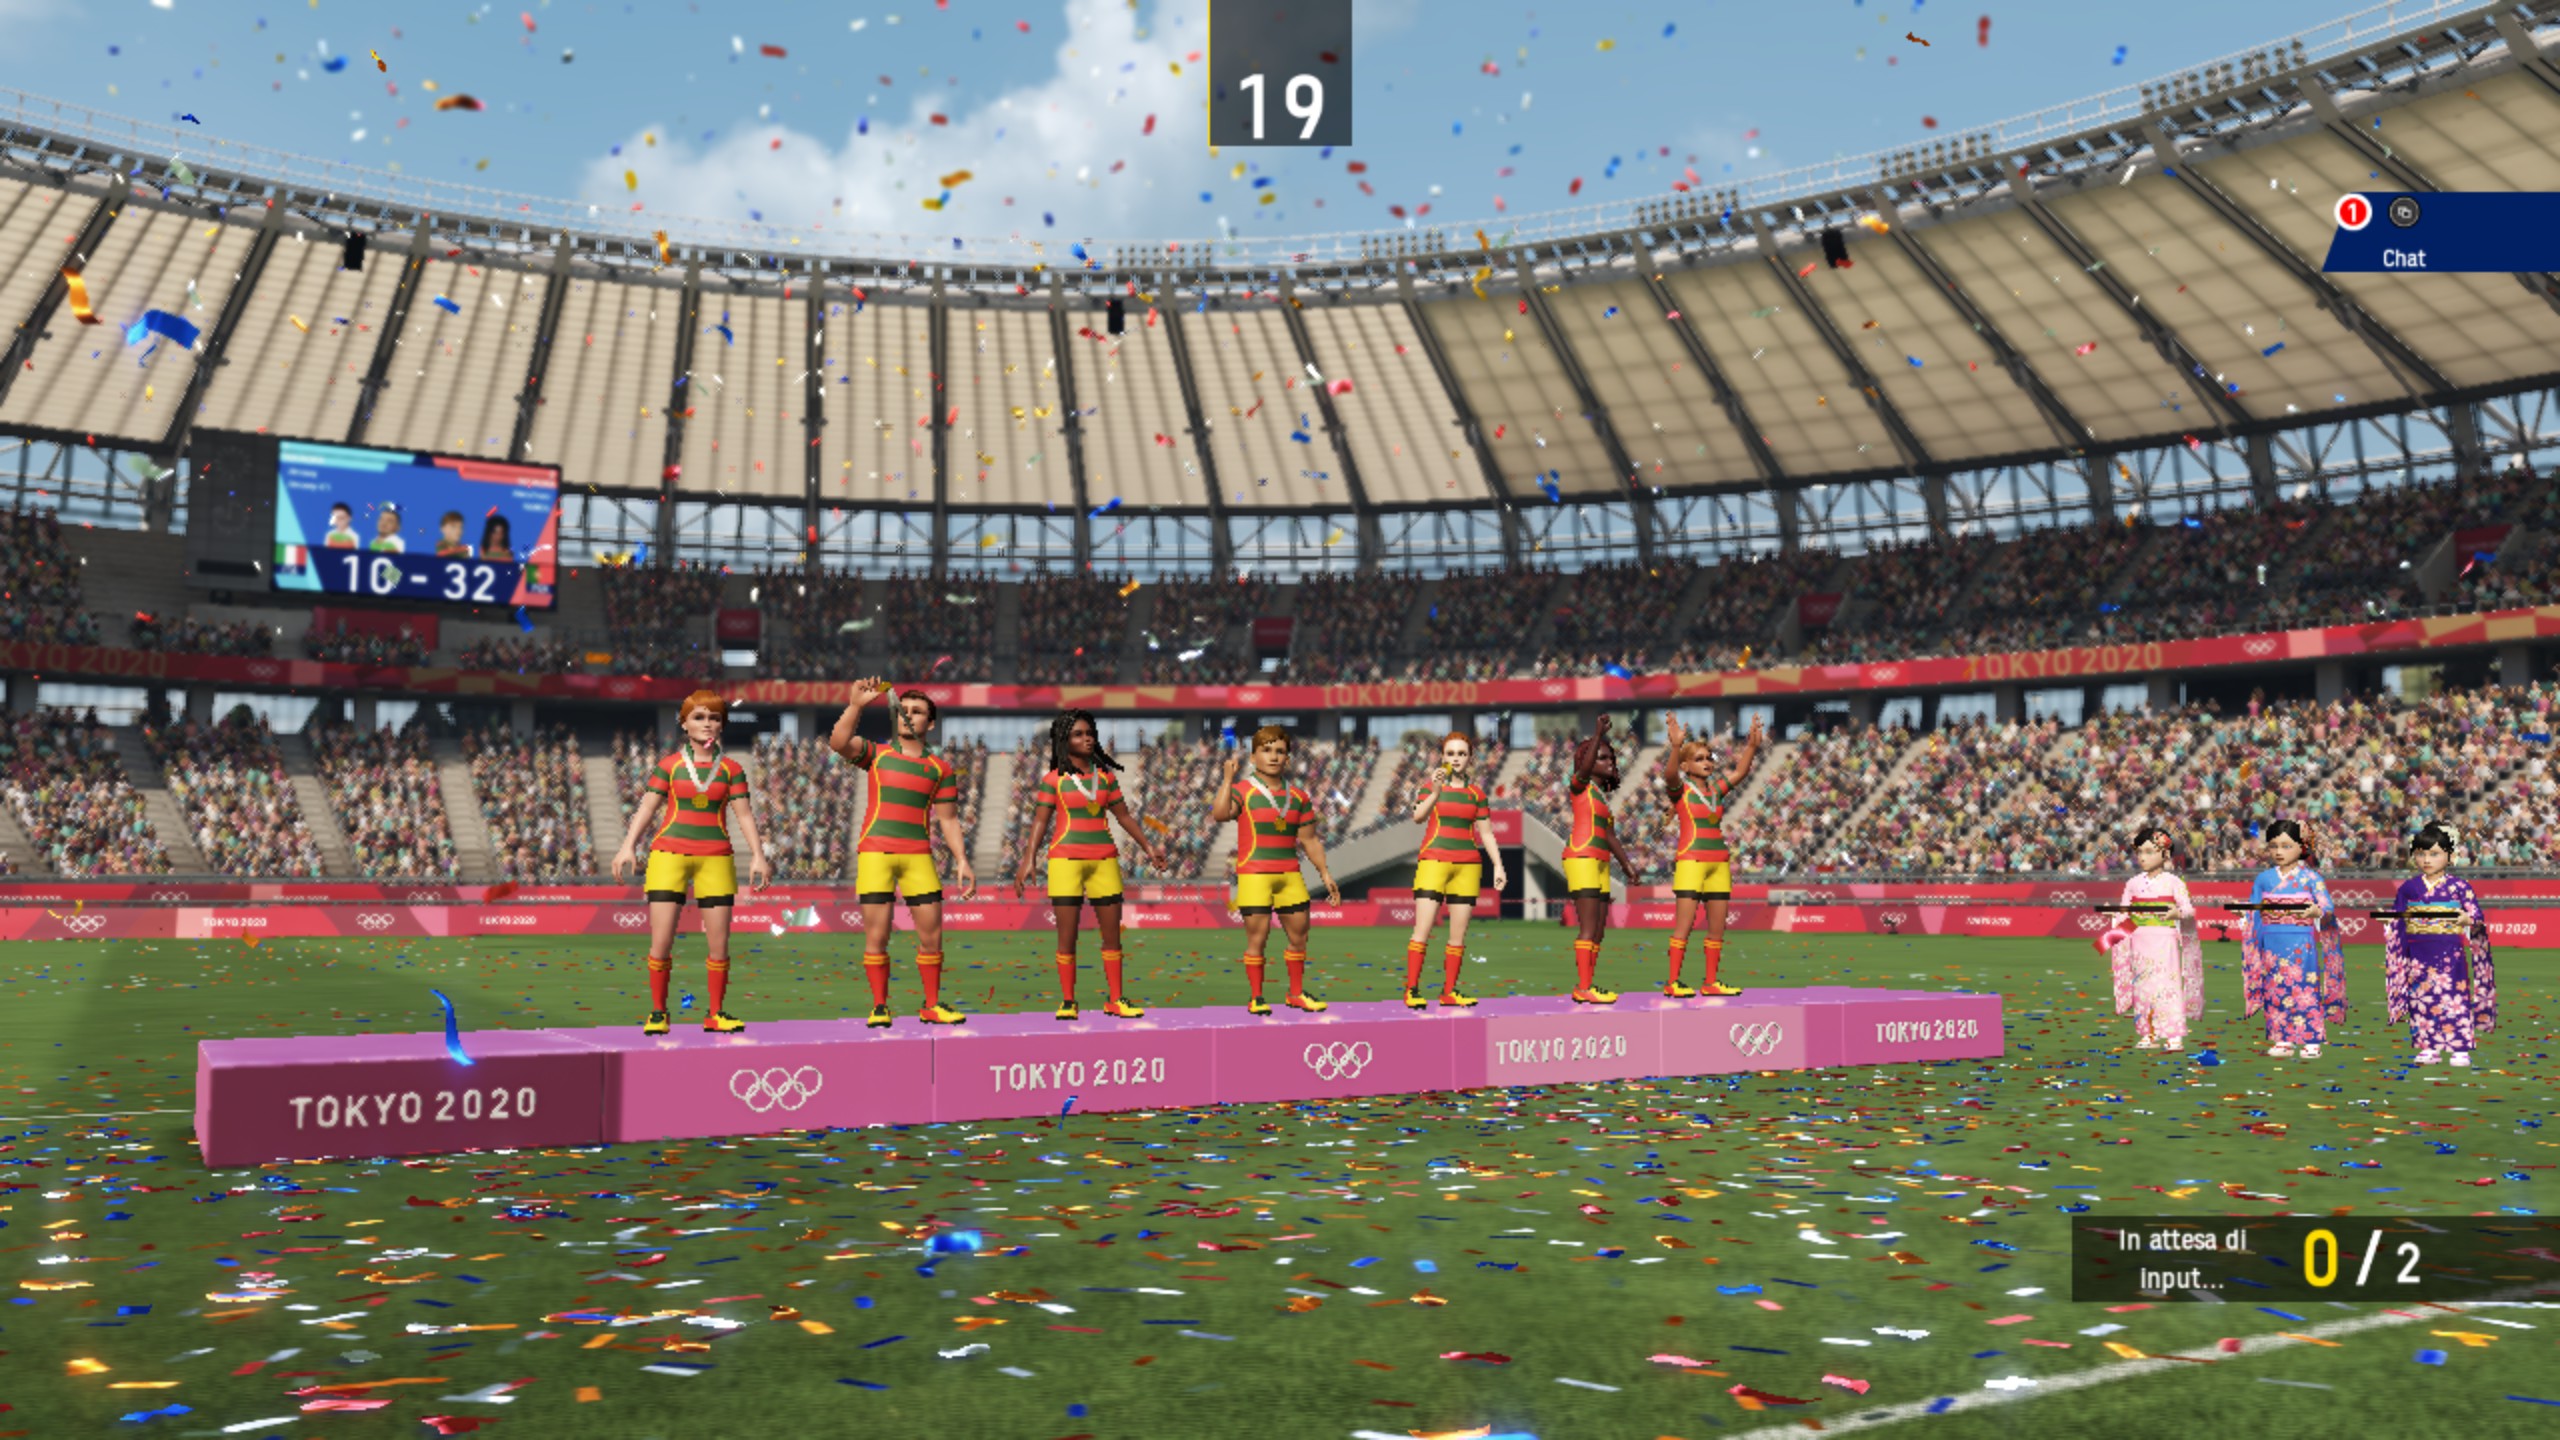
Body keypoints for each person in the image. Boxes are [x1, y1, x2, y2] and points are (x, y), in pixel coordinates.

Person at [609, 691, 770, 1035]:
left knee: (719, 944)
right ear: (684, 724)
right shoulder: (669, 766)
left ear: (722, 724)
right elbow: (648, 807)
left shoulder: (732, 769)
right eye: (699, 717)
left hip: (716, 858)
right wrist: (627, 846)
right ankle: (658, 1012)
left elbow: (744, 815)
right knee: (661, 941)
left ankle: (715, 1013)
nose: (707, 724)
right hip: (669, 856)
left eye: (714, 718)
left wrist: (758, 854)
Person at [831, 677, 976, 1025]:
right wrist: (855, 705)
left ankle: (931, 1005)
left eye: (917, 711)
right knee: (877, 936)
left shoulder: (940, 769)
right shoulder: (877, 754)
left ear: (931, 723)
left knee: (932, 935)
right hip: (876, 853)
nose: (908, 715)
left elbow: (949, 819)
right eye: (903, 710)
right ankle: (880, 1007)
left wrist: (962, 860)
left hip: (918, 856)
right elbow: (839, 742)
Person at [1010, 709, 1168, 1020]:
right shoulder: (1054, 780)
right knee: (1067, 937)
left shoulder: (1106, 778)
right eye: (1078, 734)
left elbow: (1124, 817)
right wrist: (1028, 858)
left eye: (1090, 733)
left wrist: (1148, 847)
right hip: (1065, 860)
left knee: (1112, 937)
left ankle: (1116, 999)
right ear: (1064, 740)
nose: (1087, 739)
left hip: (1104, 860)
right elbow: (1040, 821)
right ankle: (1069, 1001)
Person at [1210, 725, 1341, 1015]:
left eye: (1279, 751)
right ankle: (1257, 997)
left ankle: (1295, 993)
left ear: (1288, 759)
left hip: (1289, 874)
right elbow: (1219, 814)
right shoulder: (1243, 791)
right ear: (1253, 756)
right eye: (1266, 750)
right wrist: (1227, 779)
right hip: (1255, 873)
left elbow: (1310, 840)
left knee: (1299, 936)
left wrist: (1325, 873)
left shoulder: (1299, 797)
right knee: (1257, 939)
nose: (1273, 756)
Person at [1659, 714, 1764, 998]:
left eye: (1709, 758)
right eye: (1699, 759)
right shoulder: (1680, 791)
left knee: (1717, 929)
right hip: (1691, 861)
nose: (1707, 762)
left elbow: (1740, 772)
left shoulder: (1716, 790)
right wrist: (1675, 747)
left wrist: (1752, 747)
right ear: (1685, 766)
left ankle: (1710, 982)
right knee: (1684, 926)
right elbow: (1669, 775)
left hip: (1719, 863)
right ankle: (1673, 982)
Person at [1401, 731, 1507, 1009]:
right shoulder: (1430, 787)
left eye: (1461, 754)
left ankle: (1449, 992)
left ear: (1471, 758)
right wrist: (1436, 792)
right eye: (1450, 753)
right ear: (1442, 757)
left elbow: (1486, 833)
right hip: (1433, 862)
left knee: (1458, 936)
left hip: (1468, 866)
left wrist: (1498, 865)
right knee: (1422, 930)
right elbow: (1417, 816)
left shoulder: (1477, 794)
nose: (1456, 758)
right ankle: (1412, 990)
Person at [2382, 823, 2498, 1067]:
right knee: (2421, 998)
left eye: (2434, 854)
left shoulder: (2459, 887)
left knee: (2454, 997)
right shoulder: (2409, 887)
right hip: (2418, 952)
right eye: (2421, 854)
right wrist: (2391, 922)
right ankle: (2428, 1046)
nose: (2427, 860)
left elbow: (2476, 915)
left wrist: (2467, 919)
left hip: (2449, 951)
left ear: (2449, 856)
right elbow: (2398, 915)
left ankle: (2460, 1047)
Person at [2240, 818, 2345, 1059]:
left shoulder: (2312, 878)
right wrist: (2245, 913)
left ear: (2301, 847)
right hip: (2270, 941)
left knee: (2304, 988)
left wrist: (2317, 911)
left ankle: (2311, 1039)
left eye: (2286, 846)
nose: (2279, 851)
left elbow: (2326, 905)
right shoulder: (2264, 879)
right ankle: (2282, 1039)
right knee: (2274, 989)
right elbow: (2254, 907)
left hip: (2300, 940)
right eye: (2274, 846)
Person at [2096, 825, 2203, 1050]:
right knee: (2142, 988)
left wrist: (2176, 913)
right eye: (2140, 852)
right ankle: (2148, 1033)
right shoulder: (2133, 883)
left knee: (2167, 986)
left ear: (2165, 854)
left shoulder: (2173, 882)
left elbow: (2188, 909)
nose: (2143, 857)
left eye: (2149, 852)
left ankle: (2173, 1035)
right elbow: (2125, 914)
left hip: (2164, 940)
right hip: (2139, 939)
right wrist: (2112, 914)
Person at [1564, 715, 1640, 1004]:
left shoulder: (1601, 798)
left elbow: (1609, 835)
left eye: (1611, 758)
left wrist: (1627, 865)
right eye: (1602, 757)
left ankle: (1589, 985)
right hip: (1582, 857)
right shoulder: (1579, 785)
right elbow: (1583, 769)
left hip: (1600, 861)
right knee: (1588, 927)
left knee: (1598, 930)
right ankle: (1583, 988)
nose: (1609, 762)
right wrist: (1597, 734)